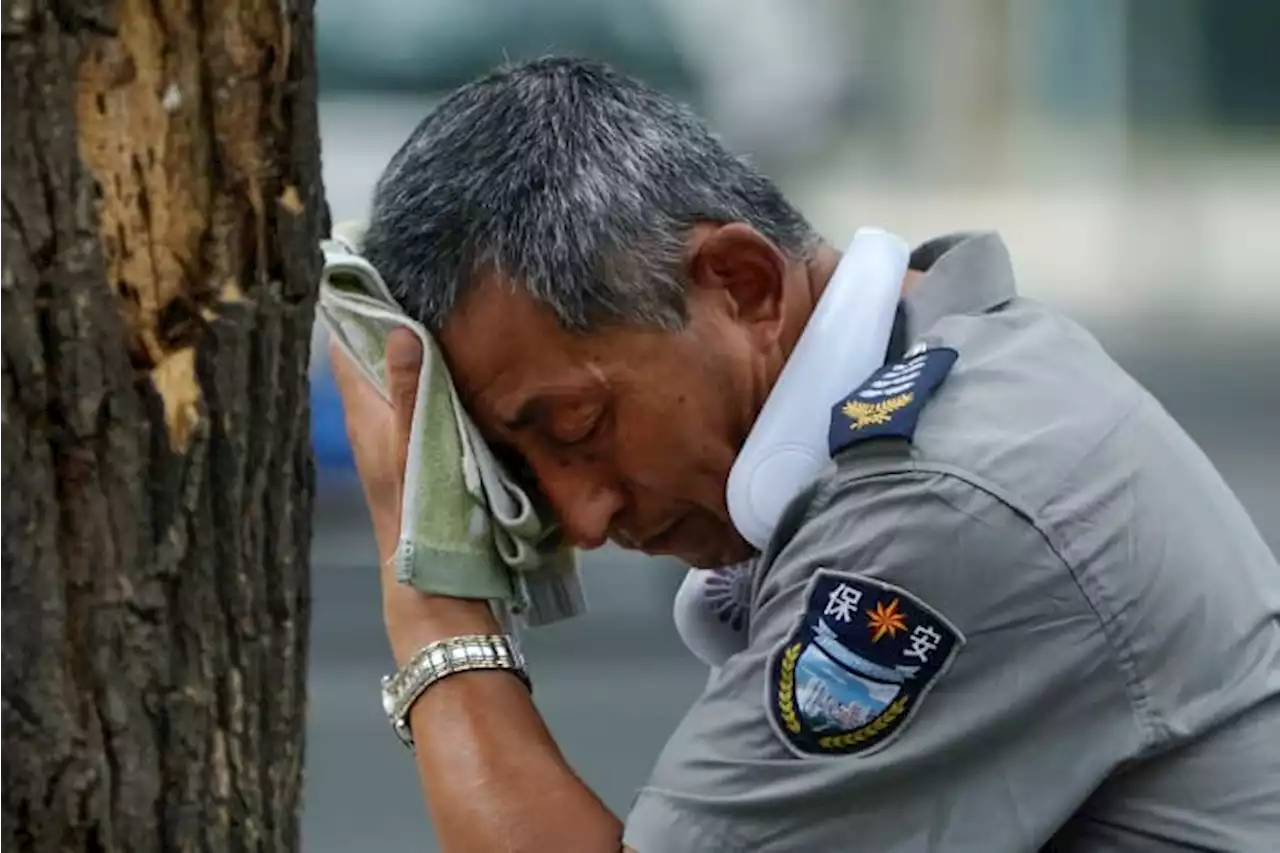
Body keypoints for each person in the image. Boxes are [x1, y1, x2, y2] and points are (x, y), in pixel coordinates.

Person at [329, 57, 1280, 852]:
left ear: (741, 285)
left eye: (577, 428)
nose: (582, 516)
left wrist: (432, 601)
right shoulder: (957, 353)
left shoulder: (936, 510)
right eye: (519, 468)